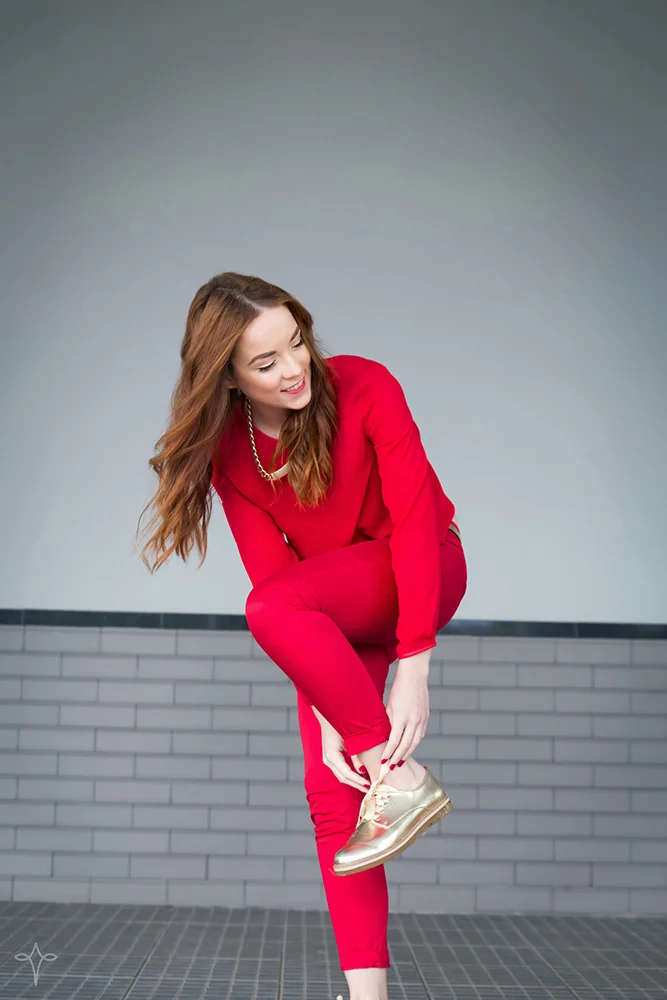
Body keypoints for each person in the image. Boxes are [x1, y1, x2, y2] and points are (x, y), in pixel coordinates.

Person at [137, 271, 468, 1000]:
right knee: (330, 794)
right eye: (265, 363)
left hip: (423, 571)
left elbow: (414, 522)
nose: (293, 369)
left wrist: (415, 662)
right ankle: (369, 998)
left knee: (270, 612)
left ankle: (403, 776)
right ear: (225, 379)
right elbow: (277, 583)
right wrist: (327, 712)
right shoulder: (232, 453)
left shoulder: (365, 386)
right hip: (330, 610)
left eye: (296, 343)